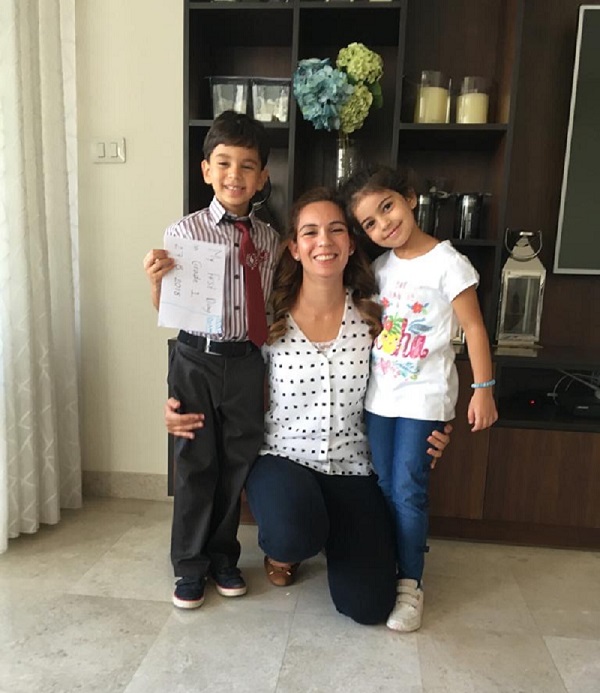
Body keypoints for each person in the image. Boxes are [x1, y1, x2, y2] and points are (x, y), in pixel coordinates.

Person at [165, 187, 452, 626]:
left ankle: (337, 535)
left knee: (369, 607)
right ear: (294, 248)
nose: (324, 241)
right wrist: (177, 406)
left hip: (355, 468)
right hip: (283, 459)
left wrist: (435, 424)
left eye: (336, 230)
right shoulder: (266, 319)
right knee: (293, 531)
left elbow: (418, 371)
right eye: (311, 232)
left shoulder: (376, 316)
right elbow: (209, 363)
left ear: (351, 243)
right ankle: (290, 549)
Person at [339, 164, 498, 632]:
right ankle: (388, 564)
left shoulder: (449, 262)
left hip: (423, 400)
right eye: (369, 222)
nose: (383, 223)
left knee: (408, 491)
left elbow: (473, 328)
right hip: (380, 399)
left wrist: (483, 391)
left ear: (409, 197)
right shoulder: (382, 270)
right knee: (385, 487)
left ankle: (411, 584)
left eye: (386, 207)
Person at [142, 111, 279, 609]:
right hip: (196, 358)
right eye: (223, 163)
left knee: (235, 462)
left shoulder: (269, 240)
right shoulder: (184, 233)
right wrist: (157, 281)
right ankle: (189, 565)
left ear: (263, 177)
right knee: (196, 462)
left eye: (247, 166)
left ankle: (224, 555)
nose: (235, 175)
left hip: (247, 362)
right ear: (206, 170)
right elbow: (170, 311)